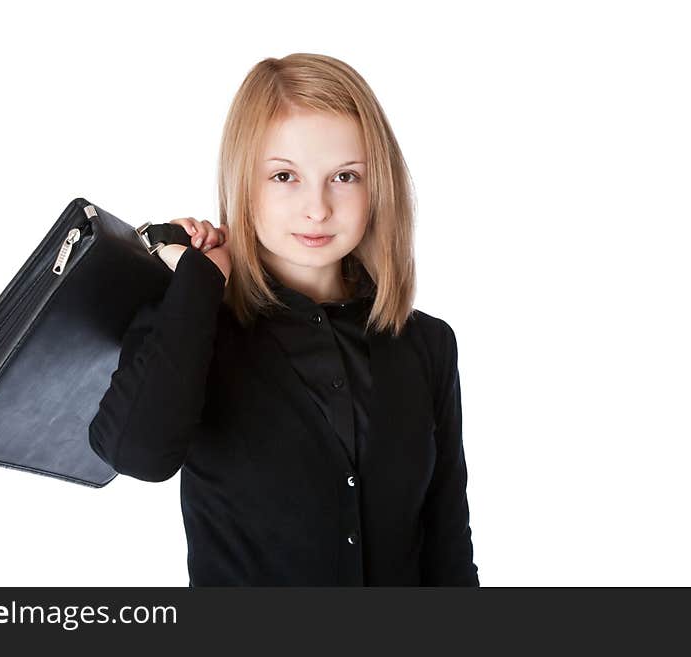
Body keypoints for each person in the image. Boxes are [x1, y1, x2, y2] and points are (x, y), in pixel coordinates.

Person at [88, 53, 479, 587]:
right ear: (244, 185)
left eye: (344, 176)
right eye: (284, 176)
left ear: (377, 187)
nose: (316, 208)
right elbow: (138, 454)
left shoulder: (426, 344)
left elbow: (448, 549)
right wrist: (198, 282)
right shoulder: (195, 321)